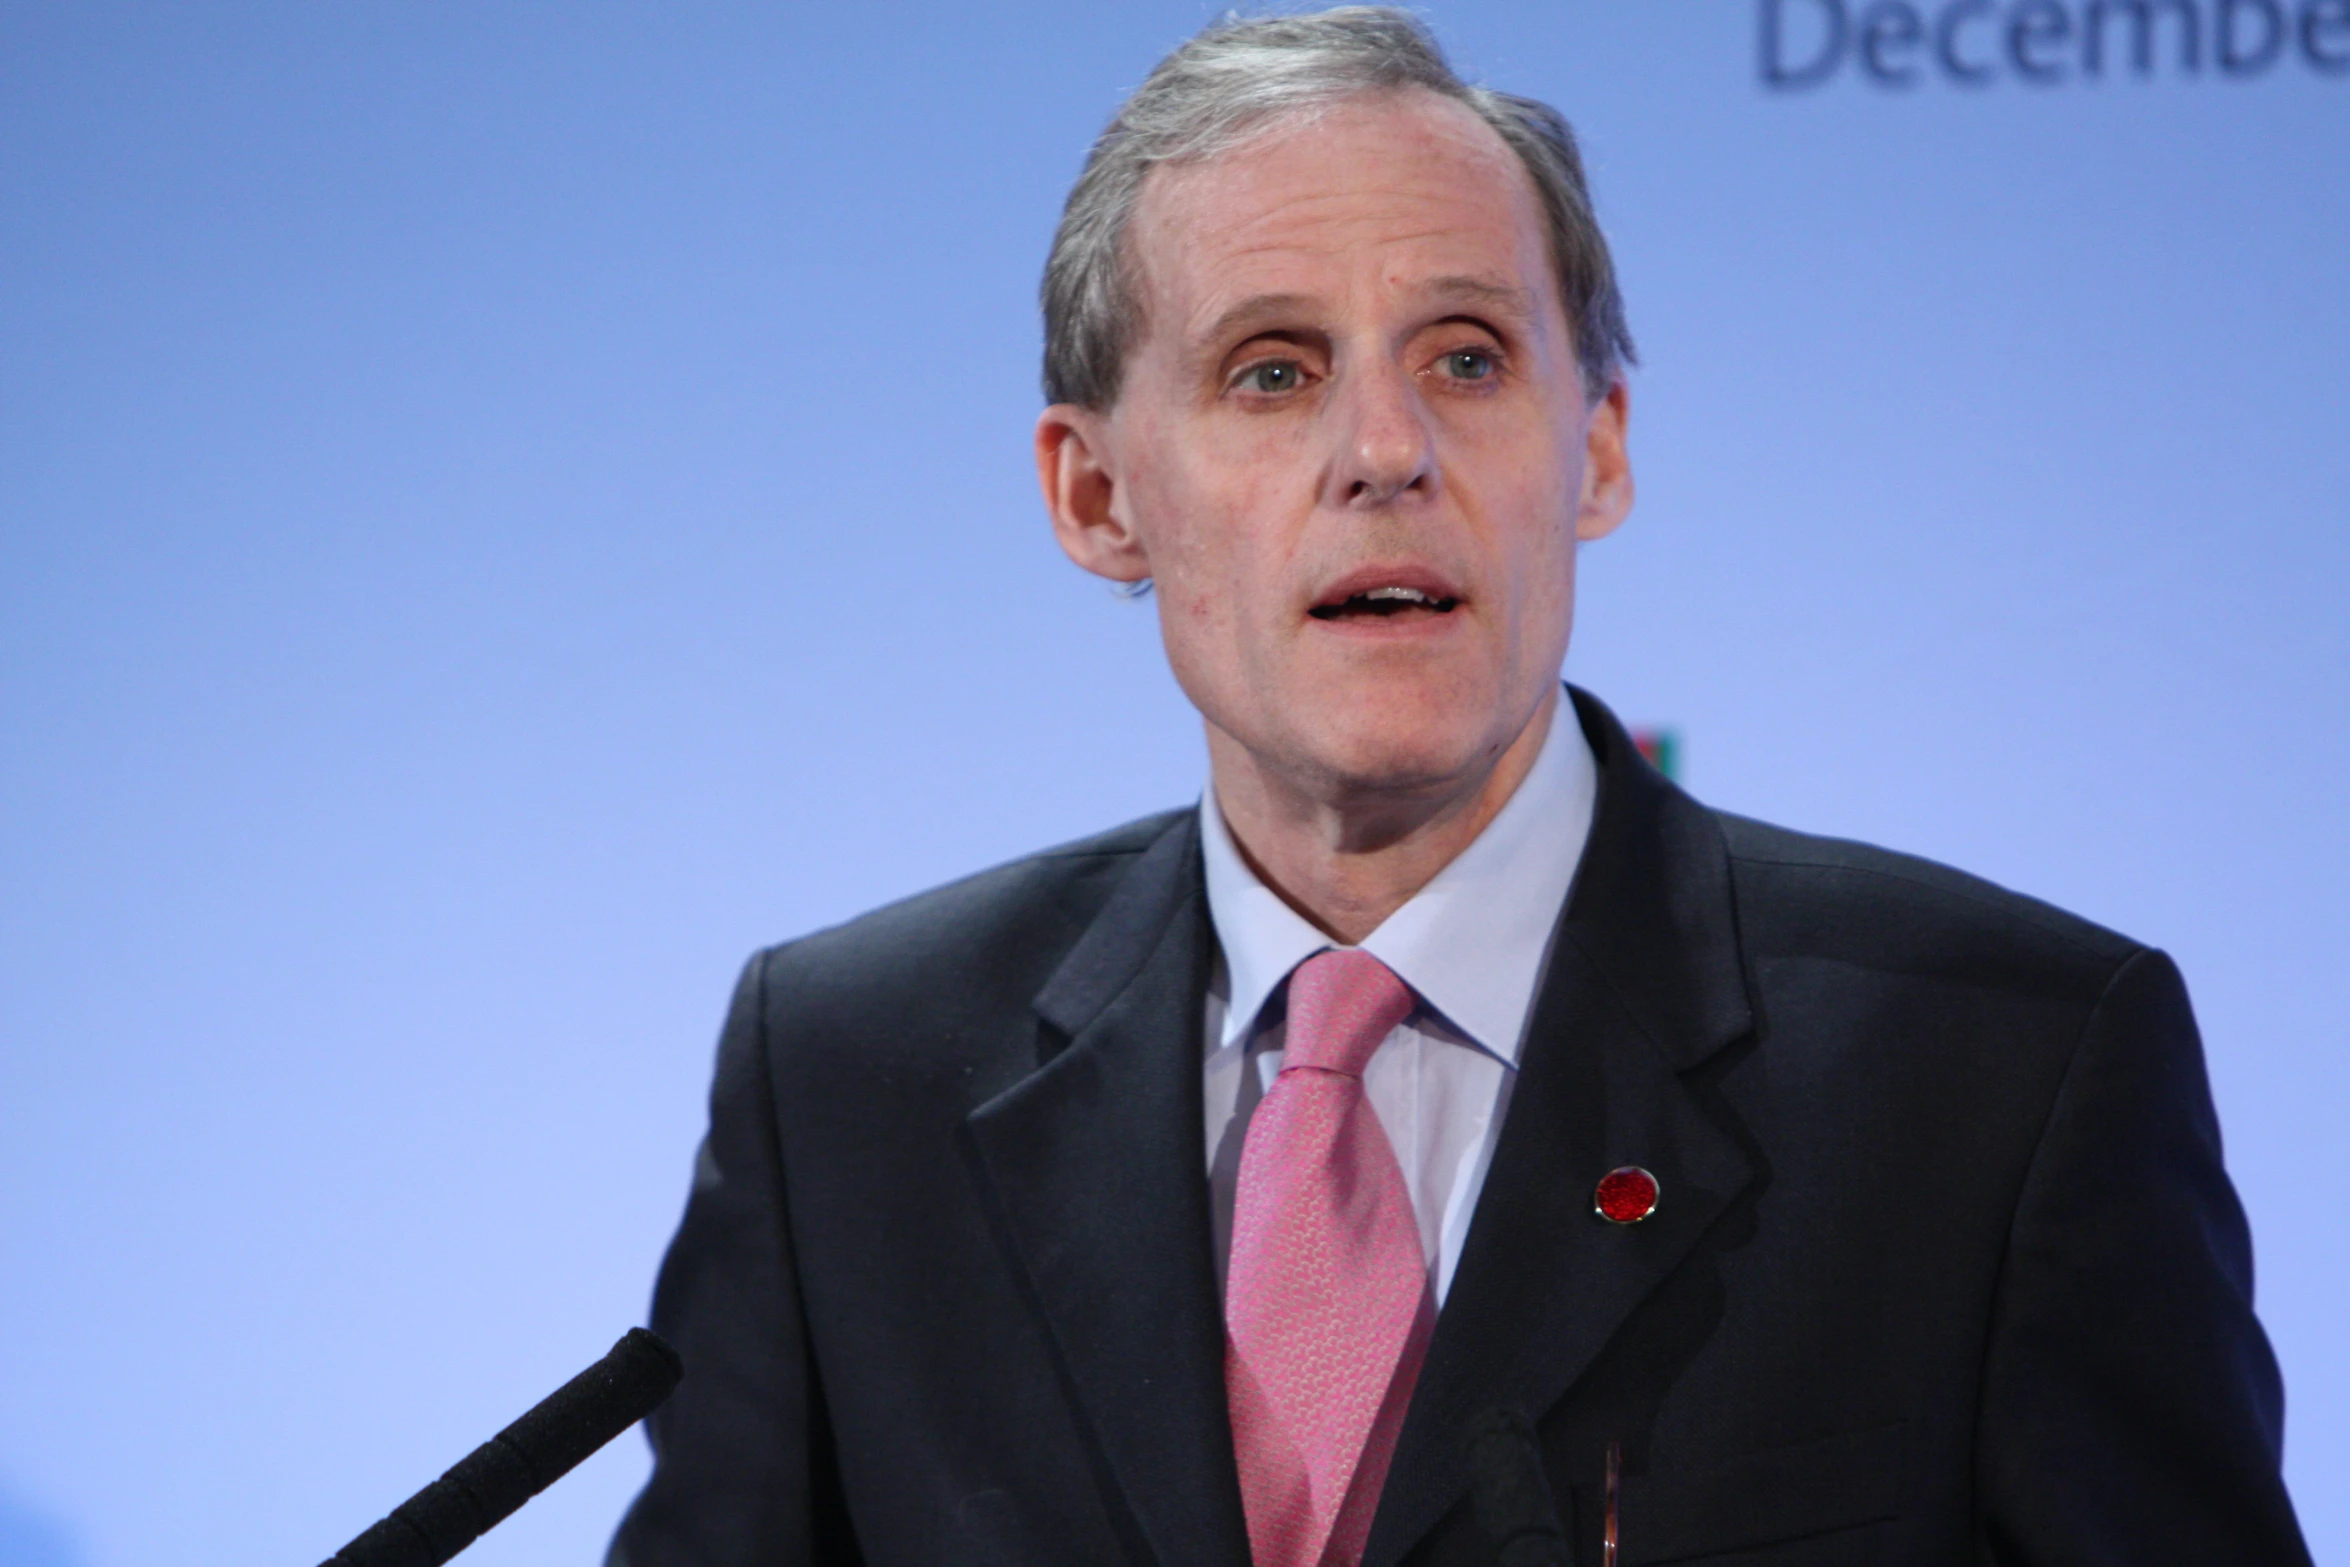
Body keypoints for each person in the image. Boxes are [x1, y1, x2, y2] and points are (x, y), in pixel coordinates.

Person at [607, 10, 2311, 1565]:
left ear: (1599, 449)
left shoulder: (1999, 1073)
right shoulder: (846, 1079)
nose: (1385, 447)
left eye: (1468, 356)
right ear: (1095, 495)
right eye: (1270, 369)